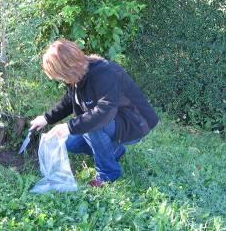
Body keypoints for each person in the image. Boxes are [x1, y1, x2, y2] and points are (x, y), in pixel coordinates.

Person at [29, 39, 159, 187]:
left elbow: (105, 112)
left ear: (69, 67)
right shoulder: (77, 76)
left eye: (60, 76)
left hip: (135, 123)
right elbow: (69, 100)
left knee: (92, 127)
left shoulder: (105, 73)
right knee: (69, 143)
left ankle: (108, 174)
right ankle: (114, 152)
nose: (61, 80)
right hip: (114, 121)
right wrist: (46, 118)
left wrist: (69, 127)